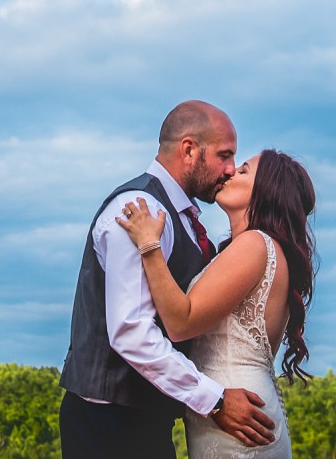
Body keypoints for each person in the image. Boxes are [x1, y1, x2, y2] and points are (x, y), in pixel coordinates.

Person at [58, 101, 278, 458]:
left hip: (145, 421)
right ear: (189, 150)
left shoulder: (186, 221)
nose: (230, 169)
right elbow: (131, 331)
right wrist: (216, 401)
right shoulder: (136, 209)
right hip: (107, 423)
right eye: (224, 155)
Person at [116, 148, 316, 459]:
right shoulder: (263, 250)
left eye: (244, 171)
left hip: (239, 421)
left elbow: (181, 322)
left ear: (267, 190)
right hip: (241, 415)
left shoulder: (254, 244)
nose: (231, 172)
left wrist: (149, 246)